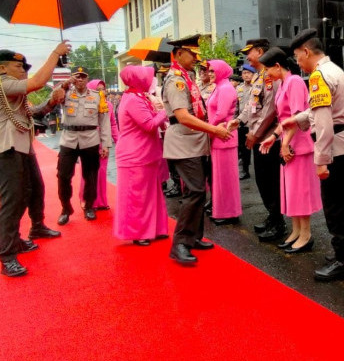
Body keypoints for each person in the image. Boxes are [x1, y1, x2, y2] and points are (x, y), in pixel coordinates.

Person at [0, 45, 70, 277]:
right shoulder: (2, 83)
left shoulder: (15, 93)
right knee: (12, 203)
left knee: (33, 191)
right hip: (5, 150)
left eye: (24, 67)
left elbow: (34, 114)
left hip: (20, 149)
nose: (23, 71)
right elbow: (37, 82)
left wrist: (52, 101)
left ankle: (35, 228)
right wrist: (55, 54)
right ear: (2, 68)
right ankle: (7, 254)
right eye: (19, 66)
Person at [285, 29, 344, 281]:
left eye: (297, 57)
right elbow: (318, 112)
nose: (298, 63)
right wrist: (295, 119)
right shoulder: (334, 70)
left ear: (306, 52)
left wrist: (321, 160)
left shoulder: (318, 77)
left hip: (333, 148)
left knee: (336, 207)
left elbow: (325, 122)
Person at [162, 35, 231, 265]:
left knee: (199, 191)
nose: (195, 59)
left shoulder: (188, 77)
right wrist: (214, 129)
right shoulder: (176, 80)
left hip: (195, 142)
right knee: (194, 191)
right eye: (192, 54)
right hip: (184, 143)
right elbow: (182, 116)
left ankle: (193, 237)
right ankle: (180, 243)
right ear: (179, 53)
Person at [258, 47, 321, 253]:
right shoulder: (284, 83)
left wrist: (285, 144)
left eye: (268, 70)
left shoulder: (293, 82)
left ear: (277, 66)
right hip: (289, 143)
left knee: (300, 191)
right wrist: (274, 137)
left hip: (298, 146)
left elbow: (295, 117)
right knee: (292, 192)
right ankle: (295, 231)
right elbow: (284, 120)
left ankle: (306, 234)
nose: (267, 74)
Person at [114, 65, 169, 246]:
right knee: (138, 197)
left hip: (145, 154)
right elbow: (149, 124)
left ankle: (156, 228)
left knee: (152, 194)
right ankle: (139, 232)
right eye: (146, 77)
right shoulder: (133, 100)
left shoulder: (137, 97)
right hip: (136, 155)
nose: (150, 80)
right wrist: (166, 111)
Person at [237, 39, 284, 242]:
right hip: (258, 137)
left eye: (250, 52)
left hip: (268, 138)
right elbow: (250, 106)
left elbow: (270, 110)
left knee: (270, 181)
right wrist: (238, 121)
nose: (247, 57)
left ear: (261, 51)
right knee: (262, 180)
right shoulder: (259, 77)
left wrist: (255, 134)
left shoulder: (270, 77)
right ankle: (272, 216)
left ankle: (278, 222)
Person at [55, 67, 112, 225]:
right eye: (77, 76)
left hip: (90, 139)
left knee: (91, 176)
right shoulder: (65, 94)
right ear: (73, 78)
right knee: (63, 176)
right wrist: (65, 84)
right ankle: (65, 208)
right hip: (69, 139)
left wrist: (105, 144)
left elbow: (104, 121)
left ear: (87, 79)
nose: (80, 79)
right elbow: (52, 98)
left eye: (83, 77)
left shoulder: (97, 97)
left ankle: (89, 206)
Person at [206, 60, 242, 225]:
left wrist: (208, 129)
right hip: (219, 135)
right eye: (209, 71)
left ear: (221, 71)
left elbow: (221, 113)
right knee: (221, 177)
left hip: (224, 135)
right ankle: (224, 211)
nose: (210, 74)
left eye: (213, 71)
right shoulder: (220, 87)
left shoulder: (225, 88)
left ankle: (230, 213)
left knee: (226, 178)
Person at [78, 79, 119, 211]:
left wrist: (118, 141)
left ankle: (100, 201)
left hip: (104, 144)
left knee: (101, 173)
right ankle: (87, 200)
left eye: (103, 89)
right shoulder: (85, 104)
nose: (101, 92)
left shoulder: (108, 106)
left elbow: (112, 124)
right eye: (98, 89)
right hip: (88, 143)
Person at [236, 64, 255, 180]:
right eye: (244, 73)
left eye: (248, 73)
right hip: (242, 122)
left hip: (254, 122)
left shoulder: (256, 87)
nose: (246, 75)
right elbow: (236, 106)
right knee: (243, 147)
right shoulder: (239, 88)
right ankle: (245, 169)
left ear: (253, 74)